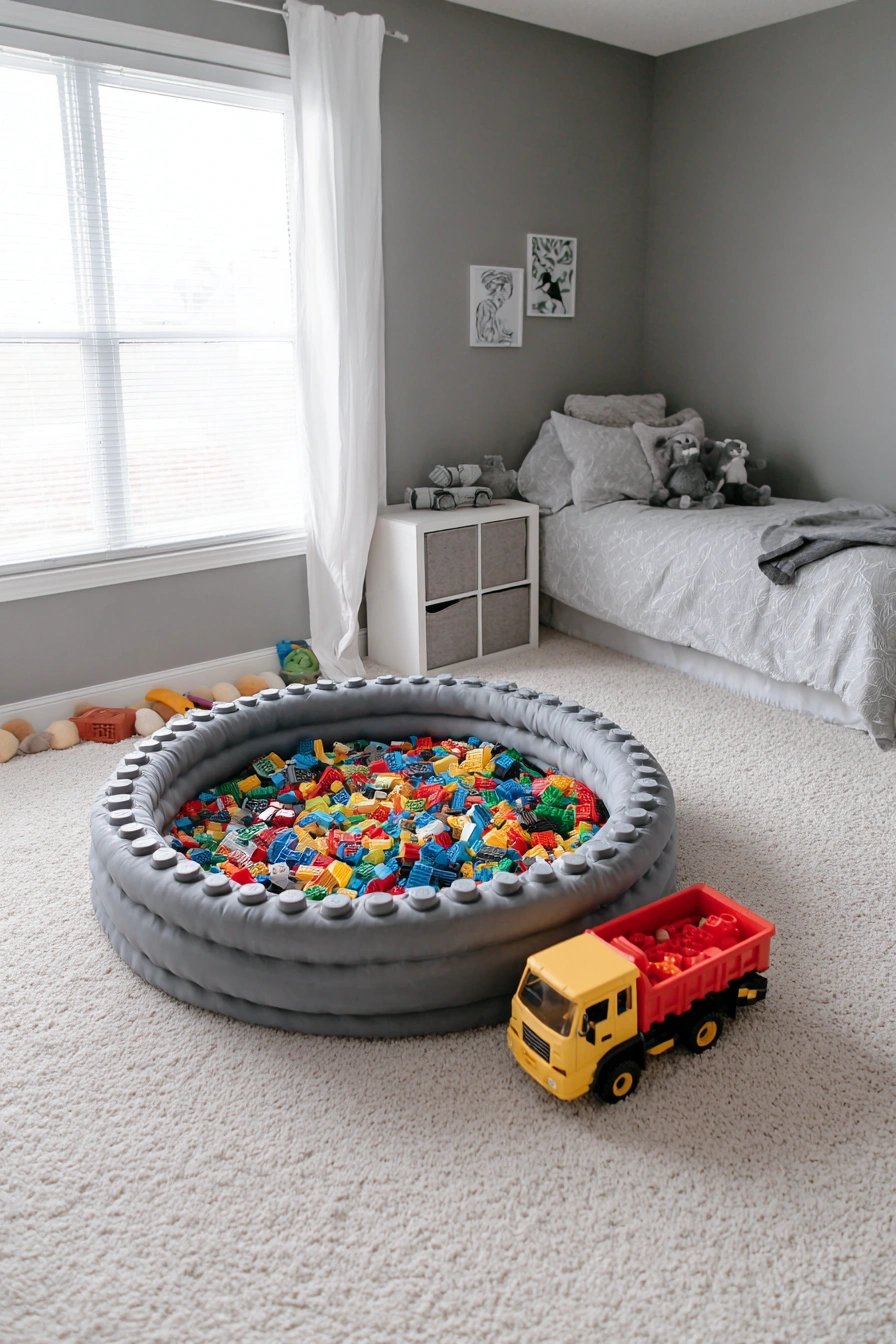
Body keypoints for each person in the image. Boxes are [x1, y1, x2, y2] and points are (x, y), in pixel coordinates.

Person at [476, 269, 515, 344]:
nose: (508, 292)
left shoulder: (506, 307)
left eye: (510, 288)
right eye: (505, 289)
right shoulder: (485, 306)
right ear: (498, 289)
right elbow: (486, 336)